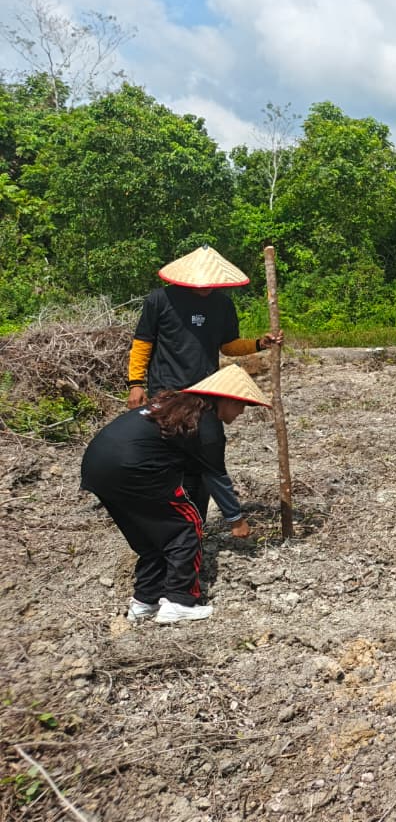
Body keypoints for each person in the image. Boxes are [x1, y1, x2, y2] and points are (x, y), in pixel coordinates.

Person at [81, 365, 268, 624]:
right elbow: (215, 477)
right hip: (134, 468)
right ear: (227, 399)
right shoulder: (207, 425)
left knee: (151, 538)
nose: (242, 412)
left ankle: (144, 601)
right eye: (242, 405)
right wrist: (236, 519)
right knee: (185, 527)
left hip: (97, 466)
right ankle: (179, 602)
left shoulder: (177, 404)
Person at [127, 245, 282, 520]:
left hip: (206, 392)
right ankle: (167, 519)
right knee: (169, 455)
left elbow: (228, 346)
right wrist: (136, 383)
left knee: (207, 456)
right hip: (166, 390)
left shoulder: (222, 304)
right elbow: (143, 343)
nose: (206, 287)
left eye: (212, 282)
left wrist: (259, 343)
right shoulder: (160, 300)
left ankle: (197, 522)